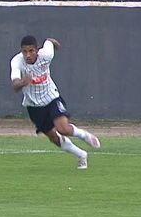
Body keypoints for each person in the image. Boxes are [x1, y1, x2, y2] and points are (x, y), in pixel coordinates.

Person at [10, 36, 100, 169]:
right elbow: (15, 85)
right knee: (53, 138)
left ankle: (84, 135)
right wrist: (23, 82)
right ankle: (81, 155)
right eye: (24, 51)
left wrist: (54, 43)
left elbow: (49, 42)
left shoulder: (46, 55)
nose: (28, 55)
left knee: (63, 129)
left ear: (37, 50)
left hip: (52, 98)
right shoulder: (17, 61)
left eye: (31, 51)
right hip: (34, 106)